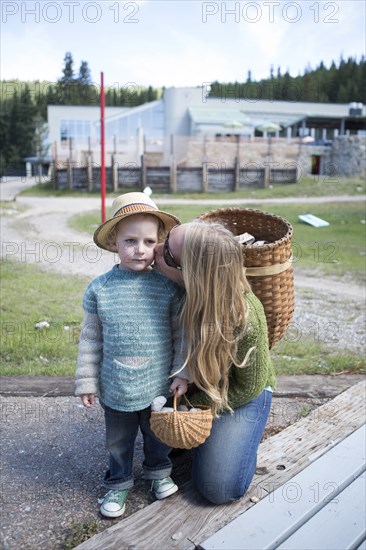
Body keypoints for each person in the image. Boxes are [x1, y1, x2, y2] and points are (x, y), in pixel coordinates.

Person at [75, 192, 189, 518]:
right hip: (116, 384)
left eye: (148, 241)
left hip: (158, 383)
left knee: (157, 436)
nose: (139, 249)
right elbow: (90, 339)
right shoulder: (101, 289)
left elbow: (182, 334)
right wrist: (86, 380)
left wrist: (183, 372)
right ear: (114, 242)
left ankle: (158, 472)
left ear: (159, 243)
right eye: (129, 240)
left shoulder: (169, 288)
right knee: (119, 441)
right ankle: (118, 482)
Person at [154, 219, 275, 505]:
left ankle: (239, 439)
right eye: (166, 238)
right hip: (197, 386)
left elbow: (248, 388)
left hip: (240, 393)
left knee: (218, 487)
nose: (156, 248)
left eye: (168, 254)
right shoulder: (173, 289)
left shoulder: (246, 318)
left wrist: (197, 409)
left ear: (193, 274)